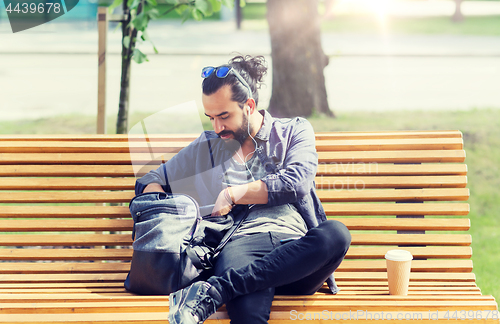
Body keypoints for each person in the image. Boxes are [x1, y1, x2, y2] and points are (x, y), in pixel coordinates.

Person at [134, 55, 351, 324]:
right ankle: (224, 287)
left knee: (336, 234)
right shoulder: (207, 145)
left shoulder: (293, 131)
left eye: (224, 116)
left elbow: (297, 182)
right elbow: (150, 180)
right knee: (248, 316)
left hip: (297, 253)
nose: (217, 127)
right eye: (210, 117)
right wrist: (167, 211)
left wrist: (232, 193)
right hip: (240, 248)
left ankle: (216, 291)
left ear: (249, 105)